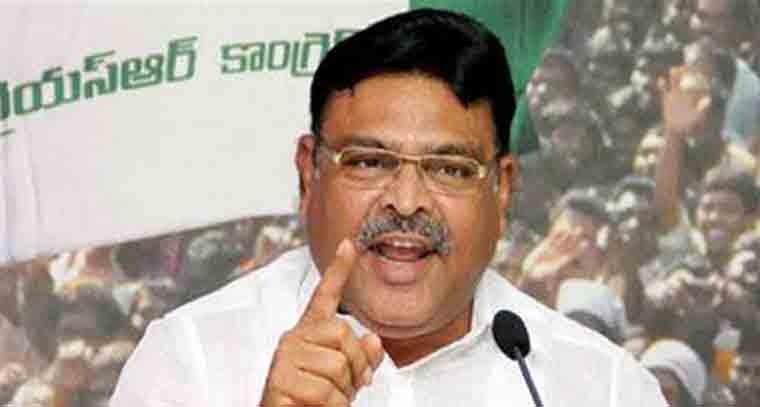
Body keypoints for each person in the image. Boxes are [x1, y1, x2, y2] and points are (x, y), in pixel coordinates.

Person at [111, 9, 667, 406]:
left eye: (450, 169)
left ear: (502, 190)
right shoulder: (191, 359)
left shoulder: (604, 388)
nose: (406, 202)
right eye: (370, 162)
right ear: (308, 174)